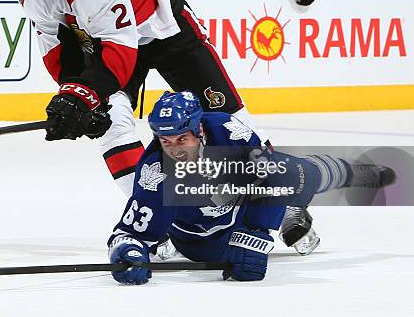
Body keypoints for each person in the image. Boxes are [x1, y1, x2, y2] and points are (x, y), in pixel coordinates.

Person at [19, 0, 257, 197]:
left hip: (165, 31)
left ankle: (283, 201)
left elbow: (121, 53)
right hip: (110, 42)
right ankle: (151, 214)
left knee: (230, 121)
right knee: (111, 124)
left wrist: (82, 97)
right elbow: (59, 50)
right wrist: (73, 98)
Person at [107, 91, 396, 284]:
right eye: (166, 142)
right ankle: (286, 214)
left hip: (243, 210)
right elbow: (129, 234)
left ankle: (349, 173)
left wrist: (256, 235)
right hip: (198, 240)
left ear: (199, 130)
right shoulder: (156, 168)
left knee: (296, 173)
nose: (174, 151)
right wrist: (128, 254)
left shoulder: (231, 134)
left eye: (181, 140)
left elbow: (271, 177)